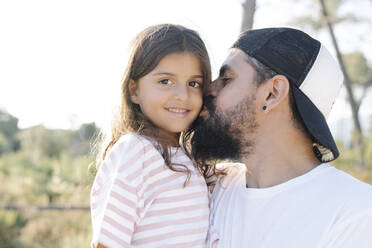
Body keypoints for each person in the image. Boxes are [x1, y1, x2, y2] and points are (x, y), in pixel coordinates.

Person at [191, 27, 372, 248]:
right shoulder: (208, 188)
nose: (207, 89)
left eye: (227, 79)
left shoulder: (357, 214)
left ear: (273, 93)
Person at [90, 24, 212, 248]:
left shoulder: (190, 160)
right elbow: (106, 244)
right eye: (165, 81)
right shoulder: (136, 152)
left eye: (194, 84)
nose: (182, 96)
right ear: (134, 91)